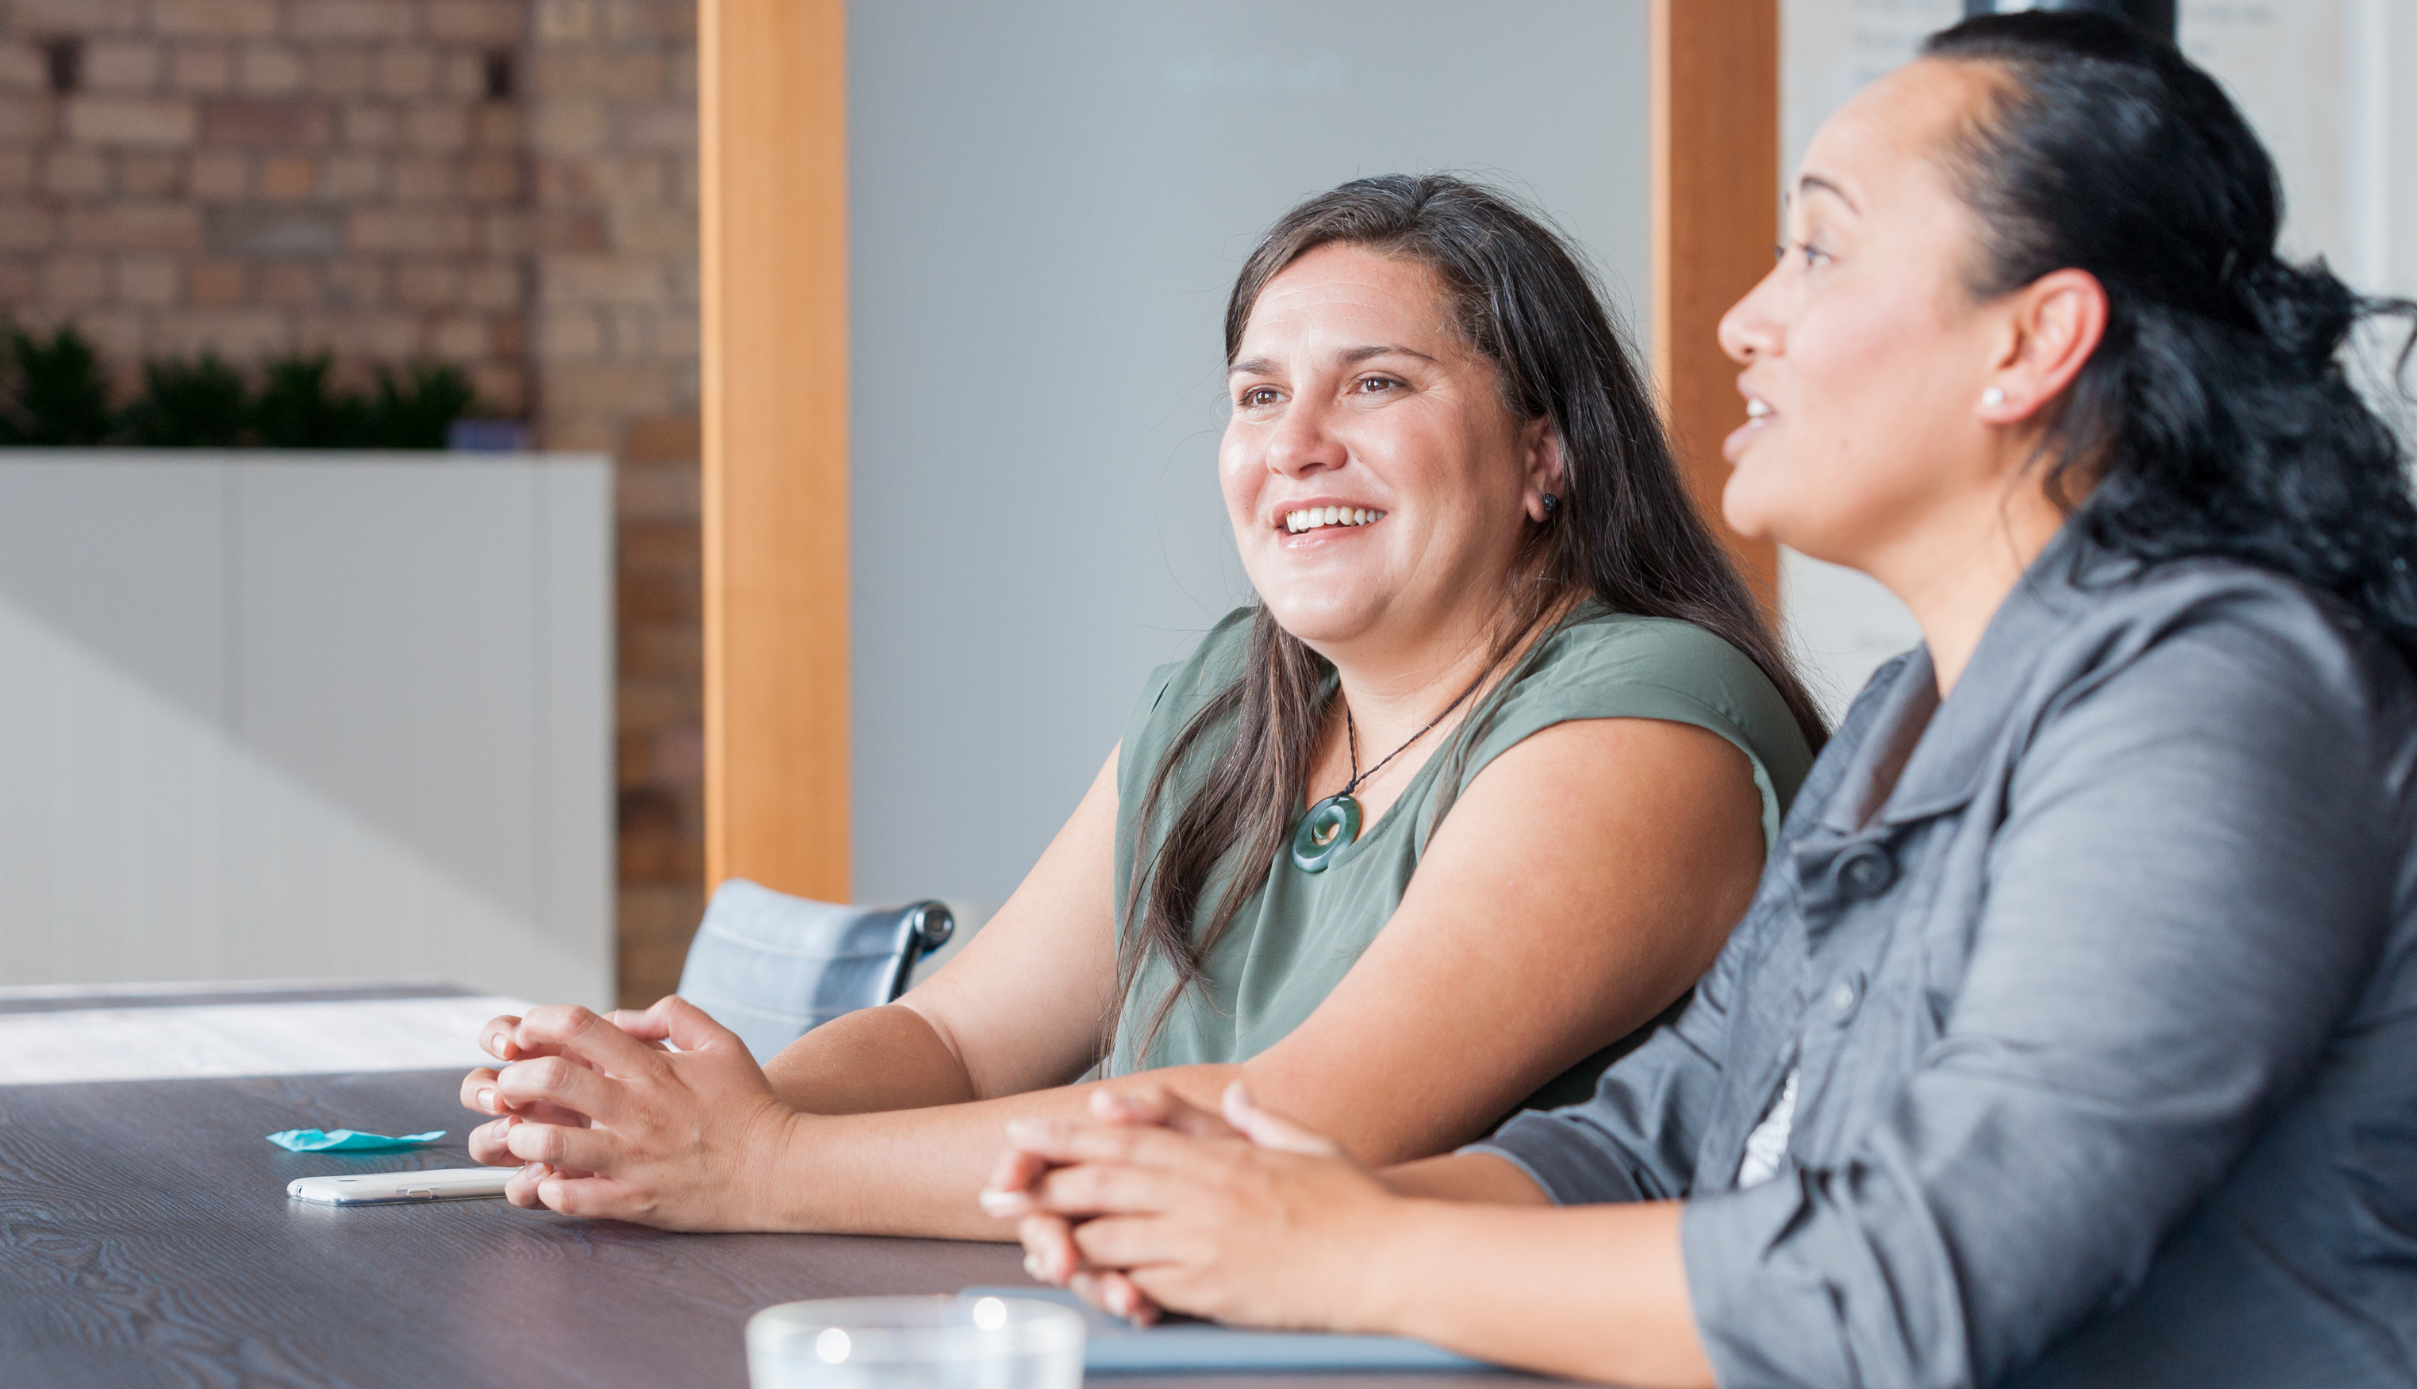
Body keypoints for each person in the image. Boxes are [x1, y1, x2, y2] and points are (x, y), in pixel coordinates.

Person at [991, 12, 2417, 1389]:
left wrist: (1347, 1253)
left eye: (1819, 252)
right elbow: (1665, 1138)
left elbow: (1911, 1273)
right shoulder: (1918, 712)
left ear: (2033, 341)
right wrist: (1258, 1215)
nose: (1741, 322)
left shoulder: (2223, 699)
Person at [463, 176, 1822, 1238]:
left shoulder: (1649, 721)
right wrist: (675, 1113)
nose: (1296, 444)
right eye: (1260, 395)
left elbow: (1300, 1121)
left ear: (1546, 455)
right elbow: (955, 1039)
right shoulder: (1232, 697)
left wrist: (759, 1164)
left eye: (1379, 383)